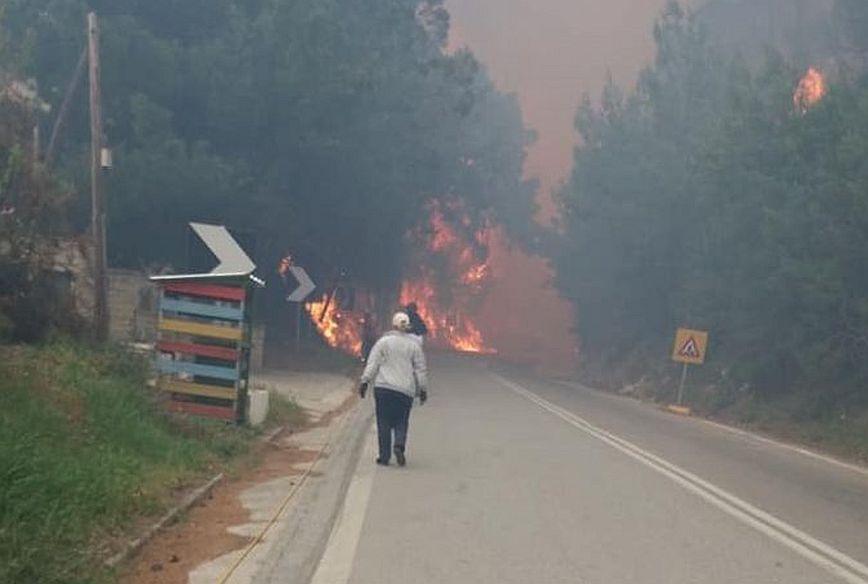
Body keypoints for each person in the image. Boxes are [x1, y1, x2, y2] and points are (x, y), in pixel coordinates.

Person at [359, 312, 428, 467]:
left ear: (393, 325)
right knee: (401, 421)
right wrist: (422, 389)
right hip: (405, 391)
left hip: (383, 388)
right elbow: (420, 369)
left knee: (383, 421)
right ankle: (399, 445)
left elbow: (373, 363)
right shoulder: (414, 346)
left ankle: (384, 456)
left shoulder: (383, 342)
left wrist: (365, 381)